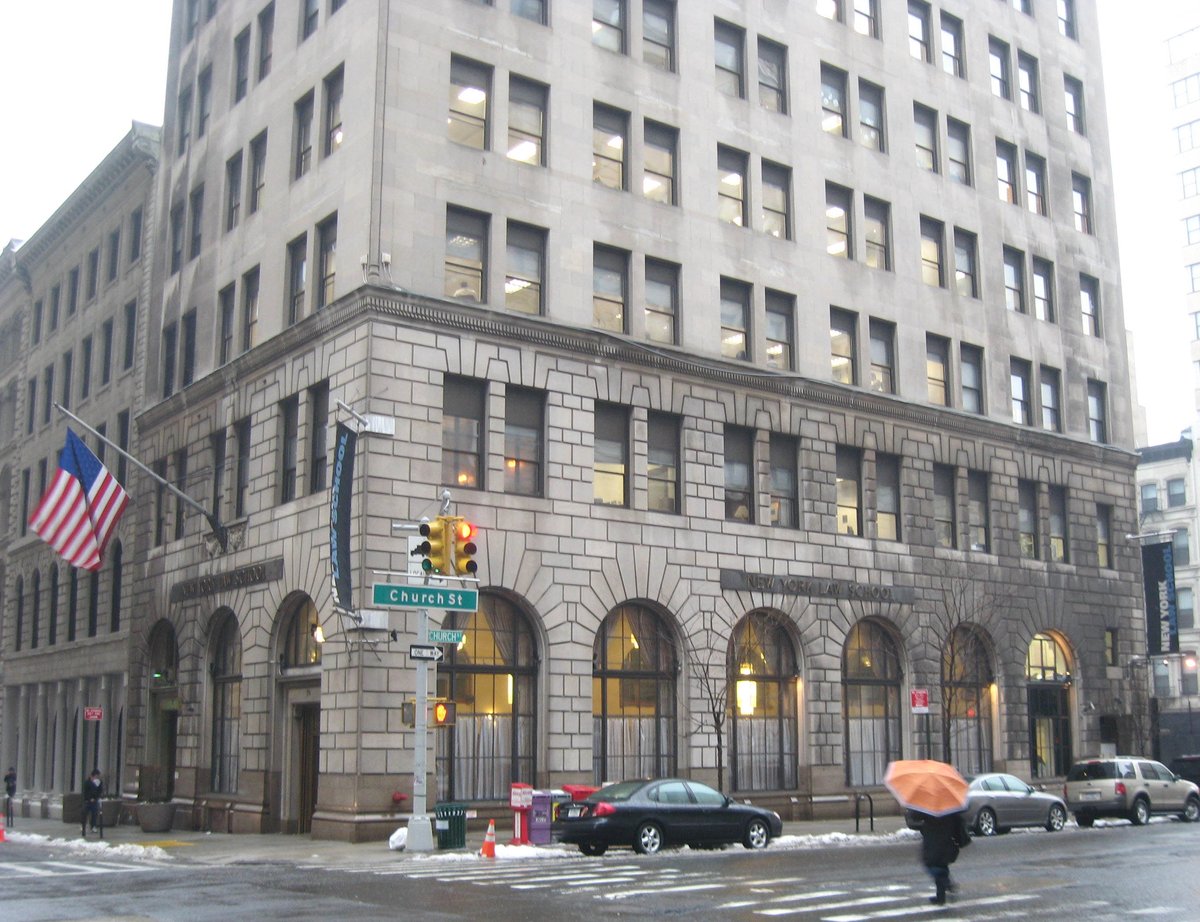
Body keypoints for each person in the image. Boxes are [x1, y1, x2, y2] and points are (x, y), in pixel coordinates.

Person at [913, 808, 971, 905]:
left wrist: (915, 809)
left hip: (933, 840)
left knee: (931, 865)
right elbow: (959, 820)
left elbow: (915, 817)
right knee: (941, 865)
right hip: (947, 841)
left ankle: (947, 883)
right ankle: (941, 897)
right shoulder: (950, 806)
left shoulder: (928, 805)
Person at [82, 768, 104, 838]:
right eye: (96, 776)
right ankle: (83, 825)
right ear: (93, 776)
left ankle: (93, 826)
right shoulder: (87, 782)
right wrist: (88, 798)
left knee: (95, 813)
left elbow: (99, 791)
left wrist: (96, 798)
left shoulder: (99, 782)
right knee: (85, 813)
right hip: (88, 801)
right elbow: (85, 792)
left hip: (95, 800)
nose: (97, 778)